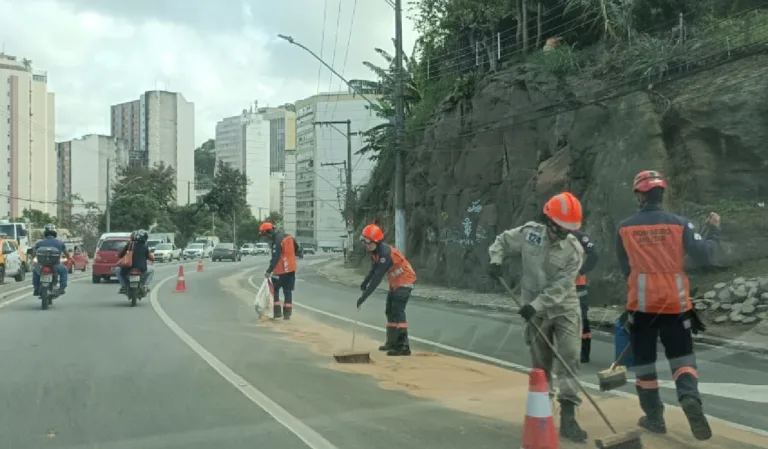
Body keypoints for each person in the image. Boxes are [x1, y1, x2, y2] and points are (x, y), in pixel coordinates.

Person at [616, 170, 718, 441]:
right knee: (682, 358)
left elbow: (625, 268)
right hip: (676, 305)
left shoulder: (624, 228)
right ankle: (688, 397)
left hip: (641, 307)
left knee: (645, 365)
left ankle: (654, 418)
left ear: (640, 195)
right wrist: (714, 231)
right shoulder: (680, 224)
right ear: (662, 193)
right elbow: (705, 255)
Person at [487, 192, 588, 443]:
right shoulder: (530, 233)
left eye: (568, 230)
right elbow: (502, 241)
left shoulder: (574, 251)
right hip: (533, 311)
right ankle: (542, 414)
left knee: (570, 358)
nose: (564, 233)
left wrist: (535, 305)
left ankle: (568, 416)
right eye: (560, 228)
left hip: (563, 308)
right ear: (549, 220)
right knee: (540, 365)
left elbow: (561, 288)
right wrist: (496, 260)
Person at [357, 223, 416, 356]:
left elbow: (377, 278)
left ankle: (403, 346)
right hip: (395, 282)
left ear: (376, 242)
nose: (366, 245)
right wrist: (364, 283)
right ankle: (391, 342)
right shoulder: (375, 252)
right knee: (389, 310)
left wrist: (363, 297)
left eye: (368, 242)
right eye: (364, 241)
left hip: (405, 281)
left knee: (397, 311)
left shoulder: (385, 254)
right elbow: (373, 270)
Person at [261, 222, 299, 320]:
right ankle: (287, 315)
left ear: (269, 232)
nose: (266, 238)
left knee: (274, 289)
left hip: (281, 270)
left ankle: (277, 312)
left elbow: (275, 257)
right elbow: (297, 247)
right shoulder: (288, 237)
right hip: (291, 269)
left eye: (265, 235)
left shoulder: (277, 241)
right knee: (287, 291)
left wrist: (269, 270)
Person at [572, 229, 599, 363]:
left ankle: (584, 354)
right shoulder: (551, 234)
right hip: (557, 285)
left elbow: (594, 255)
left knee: (582, 319)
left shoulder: (579, 236)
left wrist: (581, 271)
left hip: (577, 286)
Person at [32, 223, 69, 296]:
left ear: (45, 233)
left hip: (41, 265)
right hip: (55, 265)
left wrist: (33, 258)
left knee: (35, 271)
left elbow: (33, 254)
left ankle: (36, 288)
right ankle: (62, 288)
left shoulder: (39, 243)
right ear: (54, 233)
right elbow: (66, 254)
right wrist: (68, 258)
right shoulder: (60, 243)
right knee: (64, 271)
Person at [117, 230, 155, 294]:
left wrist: (120, 255)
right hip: (142, 269)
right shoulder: (145, 246)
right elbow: (150, 257)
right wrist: (152, 259)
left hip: (128, 268)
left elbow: (121, 255)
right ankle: (146, 285)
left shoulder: (130, 245)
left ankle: (123, 286)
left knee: (117, 270)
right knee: (152, 270)